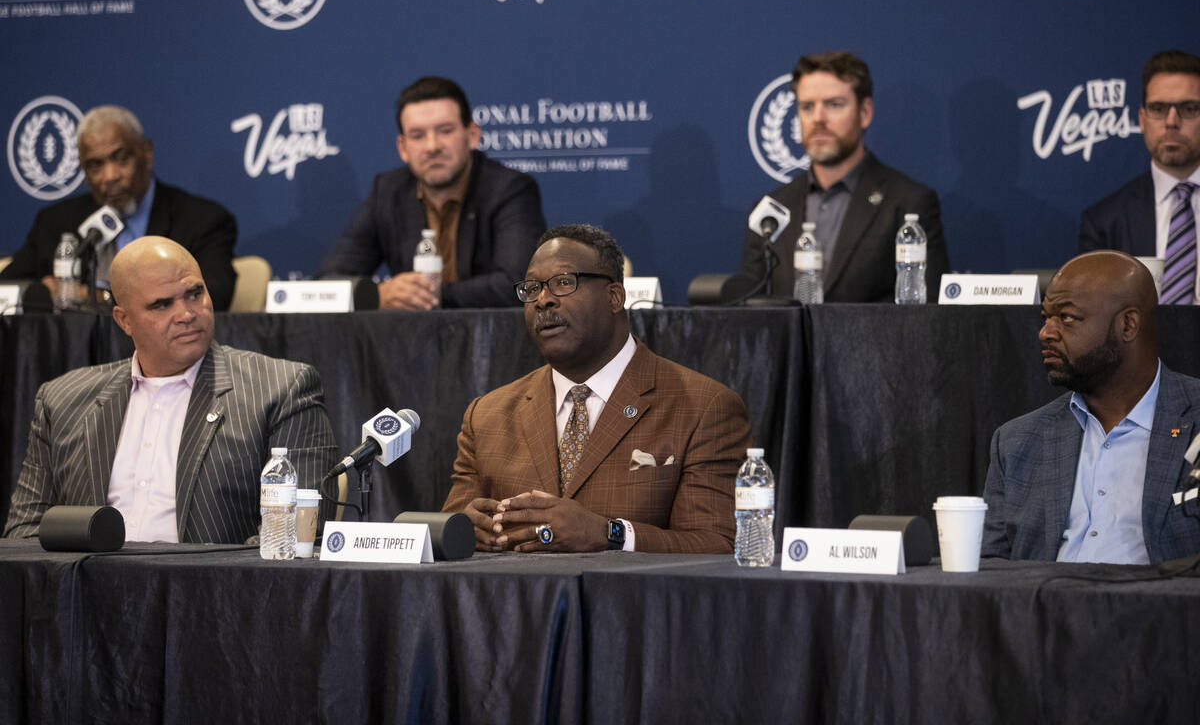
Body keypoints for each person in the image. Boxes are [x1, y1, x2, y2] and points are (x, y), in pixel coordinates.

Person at [3, 236, 339, 543]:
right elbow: (25, 534)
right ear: (124, 320)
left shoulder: (281, 390)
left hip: (214, 600)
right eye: (162, 305)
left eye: (195, 294)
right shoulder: (61, 402)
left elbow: (296, 534)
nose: (187, 314)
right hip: (89, 599)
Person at [442, 224, 751, 553]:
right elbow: (449, 530)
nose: (543, 300)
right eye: (532, 288)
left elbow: (718, 544)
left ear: (615, 297)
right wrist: (465, 530)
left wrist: (611, 534)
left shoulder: (704, 408)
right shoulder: (487, 415)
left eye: (563, 283)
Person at [982, 251, 1200, 564]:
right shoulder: (1017, 442)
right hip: (1044, 607)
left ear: (1128, 325)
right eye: (1046, 318)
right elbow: (989, 567)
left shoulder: (1194, 418)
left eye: (1067, 318)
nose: (1046, 332)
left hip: (1160, 609)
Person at [738, 51, 949, 302]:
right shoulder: (772, 210)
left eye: (834, 104)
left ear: (865, 112)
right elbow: (748, 309)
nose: (818, 118)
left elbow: (929, 313)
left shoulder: (908, 203)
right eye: (807, 107)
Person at [319, 76, 546, 309]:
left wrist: (425, 295)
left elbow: (520, 285)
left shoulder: (509, 189)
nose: (432, 146)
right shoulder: (387, 192)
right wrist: (378, 294)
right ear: (403, 148)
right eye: (417, 135)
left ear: (472, 136)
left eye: (445, 131)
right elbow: (327, 284)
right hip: (411, 342)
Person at [0, 105, 238, 310]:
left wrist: (93, 297)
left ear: (147, 154)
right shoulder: (56, 222)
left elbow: (216, 295)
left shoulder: (201, 220)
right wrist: (41, 293)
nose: (110, 176)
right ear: (84, 172)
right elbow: (7, 288)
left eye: (122, 158)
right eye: (95, 165)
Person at [1079, 50, 1200, 305]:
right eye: (1158, 108)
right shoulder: (1104, 222)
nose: (1171, 121)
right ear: (1142, 120)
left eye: (1189, 109)